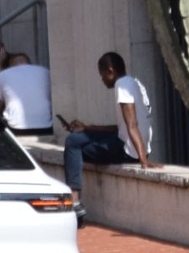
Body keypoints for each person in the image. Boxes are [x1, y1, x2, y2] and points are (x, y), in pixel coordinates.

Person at [60, 51, 157, 191]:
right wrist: (87, 127)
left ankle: (74, 198)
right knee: (77, 139)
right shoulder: (134, 83)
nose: (102, 80)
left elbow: (132, 125)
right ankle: (75, 199)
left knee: (72, 143)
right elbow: (122, 127)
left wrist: (143, 160)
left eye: (102, 75)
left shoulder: (121, 85)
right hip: (133, 145)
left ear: (110, 71)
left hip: (129, 152)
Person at [0, 47, 54, 136]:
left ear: (11, 66)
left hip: (16, 129)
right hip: (46, 127)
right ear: (29, 64)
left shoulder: (4, 74)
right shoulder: (45, 71)